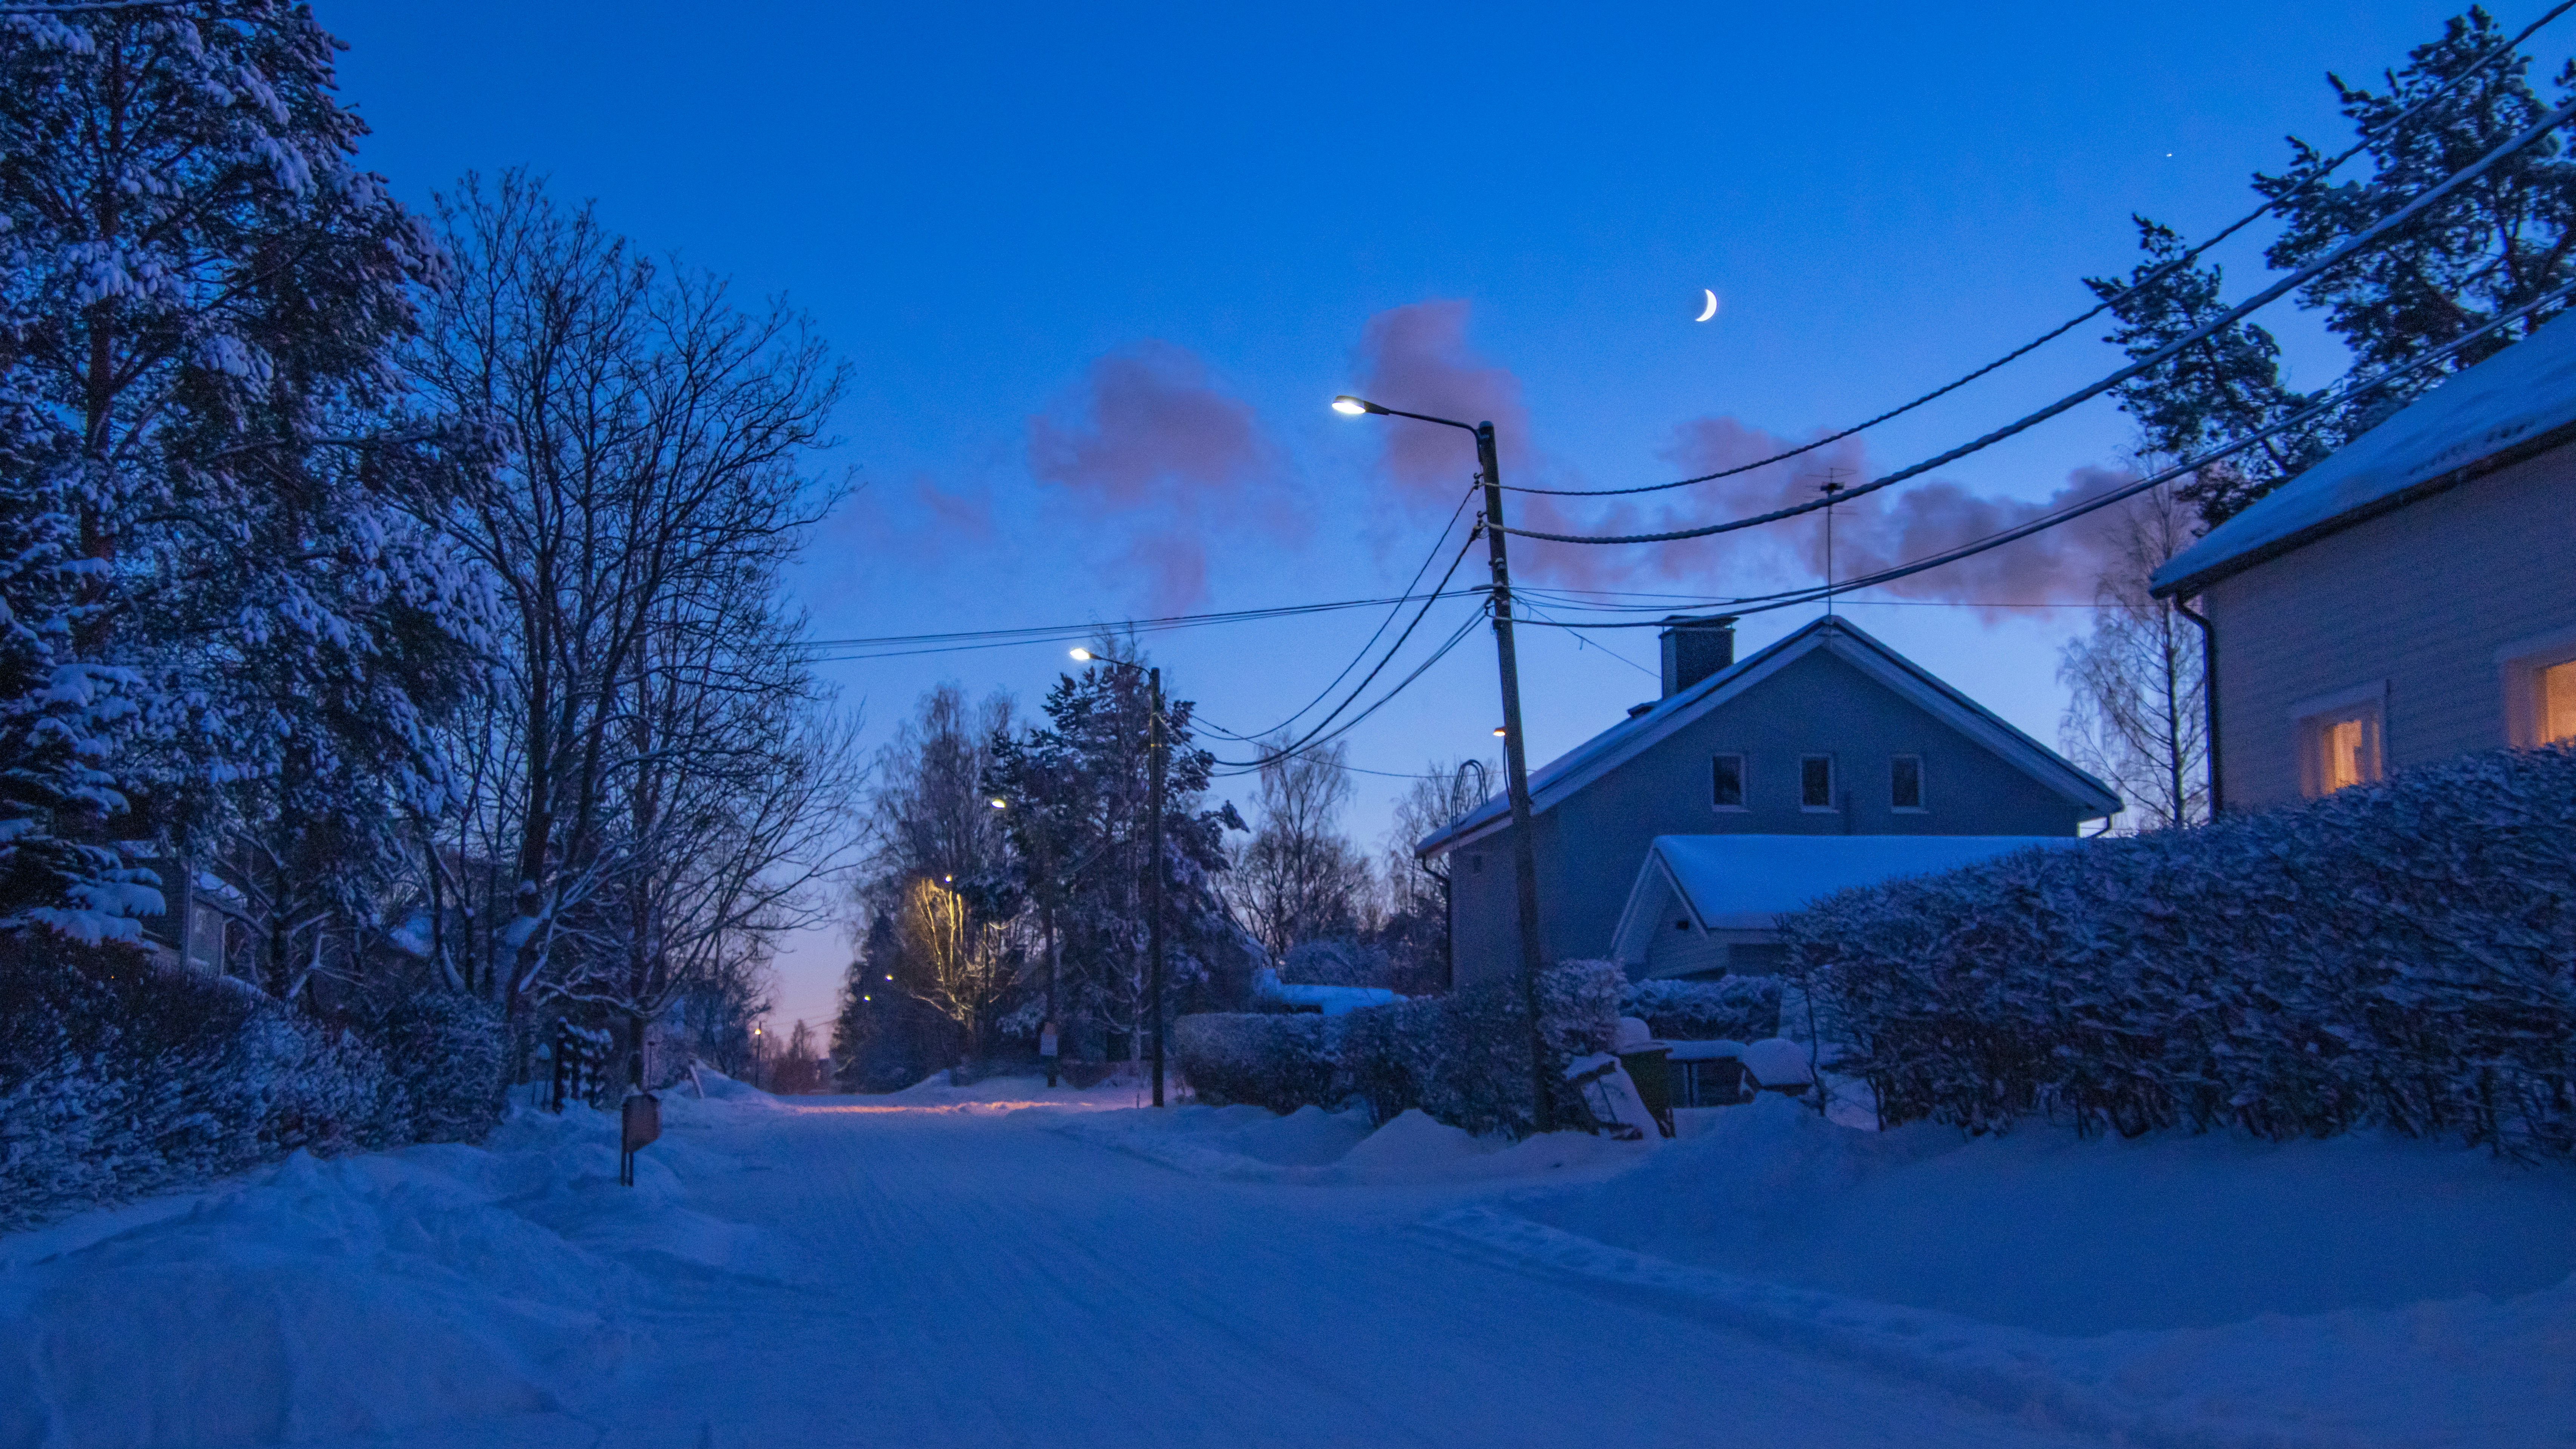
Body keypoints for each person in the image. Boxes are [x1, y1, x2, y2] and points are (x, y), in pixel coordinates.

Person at [1039, 1020, 1060, 1088]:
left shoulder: (1045, 1032)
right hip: (1052, 1053)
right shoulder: (1054, 1030)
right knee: (1052, 1068)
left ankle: (1051, 1083)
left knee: (1050, 1068)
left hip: (1048, 1052)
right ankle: (1052, 1083)